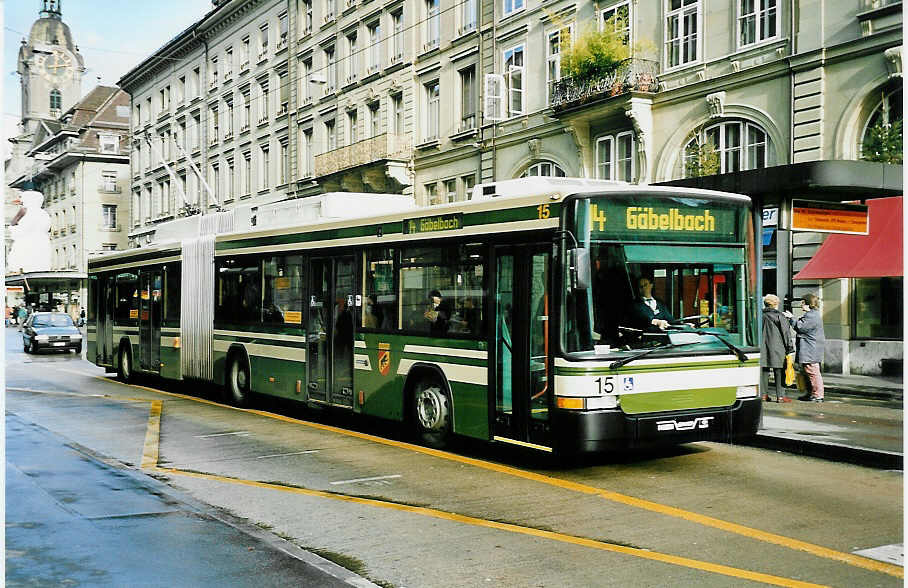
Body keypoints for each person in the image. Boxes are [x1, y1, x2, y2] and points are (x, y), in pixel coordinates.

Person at [787, 293, 825, 402]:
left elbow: (800, 327)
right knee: (808, 373)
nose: (801, 305)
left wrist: (791, 318)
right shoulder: (812, 315)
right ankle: (810, 393)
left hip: (810, 349)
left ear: (808, 304)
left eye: (803, 303)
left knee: (813, 373)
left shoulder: (811, 316)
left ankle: (818, 395)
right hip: (810, 348)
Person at [760, 294, 794, 402]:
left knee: (764, 370)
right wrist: (790, 348)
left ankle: (763, 395)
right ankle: (780, 396)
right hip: (778, 347)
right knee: (779, 371)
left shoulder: (759, 315)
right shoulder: (780, 316)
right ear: (776, 304)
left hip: (763, 347)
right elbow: (786, 333)